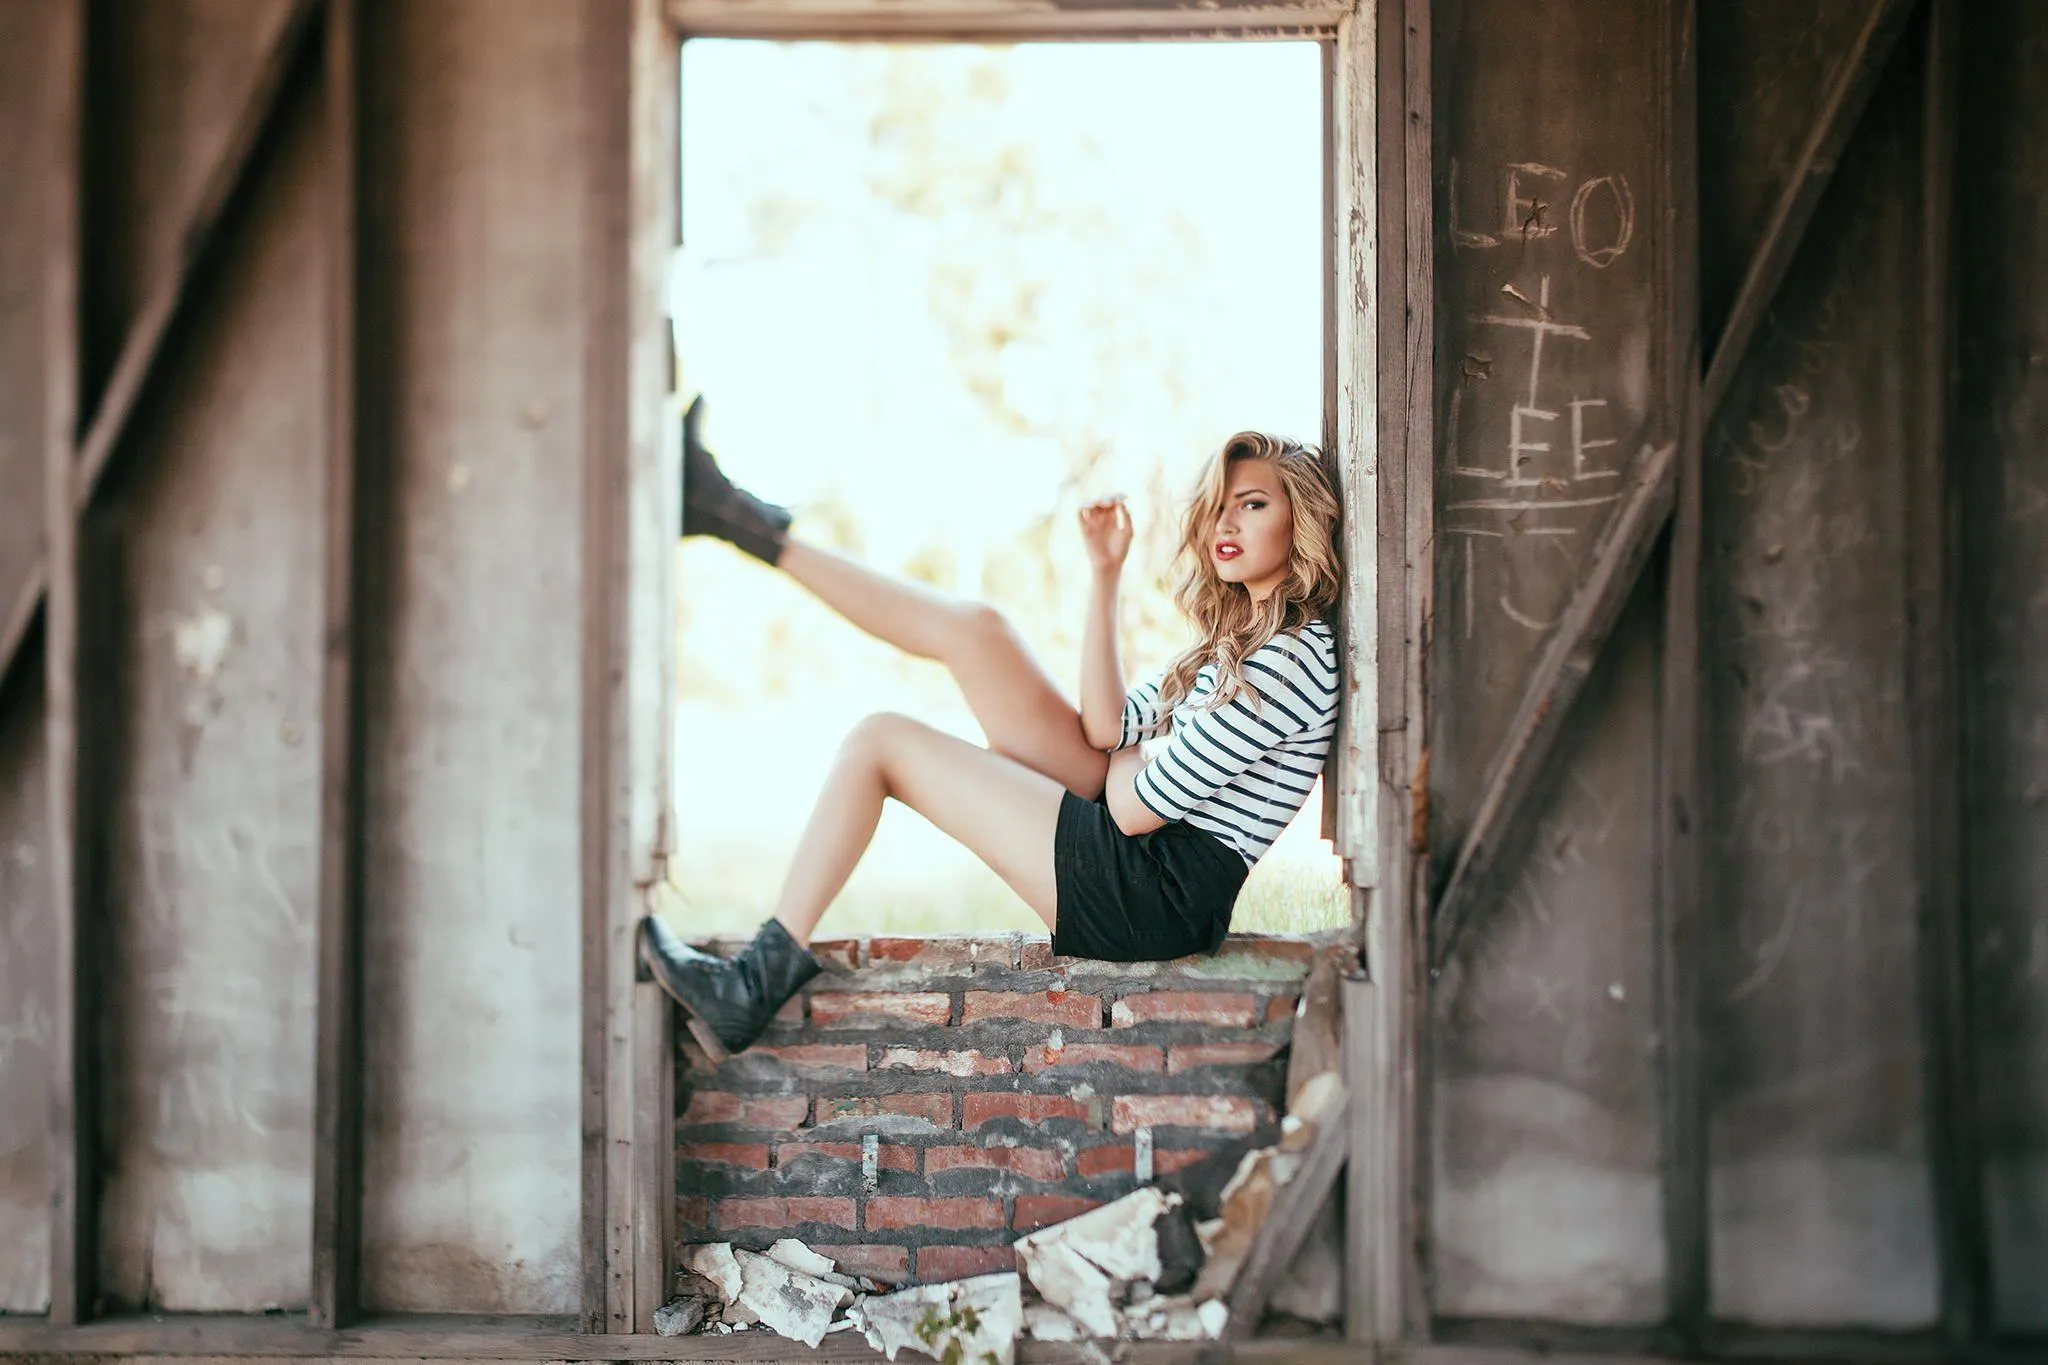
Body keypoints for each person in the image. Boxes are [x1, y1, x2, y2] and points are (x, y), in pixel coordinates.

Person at [639, 399, 1344, 1060]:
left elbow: (1130, 805)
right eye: (1220, 508)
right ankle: (737, 518)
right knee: (979, 630)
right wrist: (1105, 576)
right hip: (1142, 847)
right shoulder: (1240, 641)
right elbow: (1107, 725)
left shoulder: (1289, 657)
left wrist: (1129, 751)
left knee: (880, 741)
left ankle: (752, 984)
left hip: (1152, 894)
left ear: (1300, 520)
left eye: (1252, 506)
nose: (1226, 524)